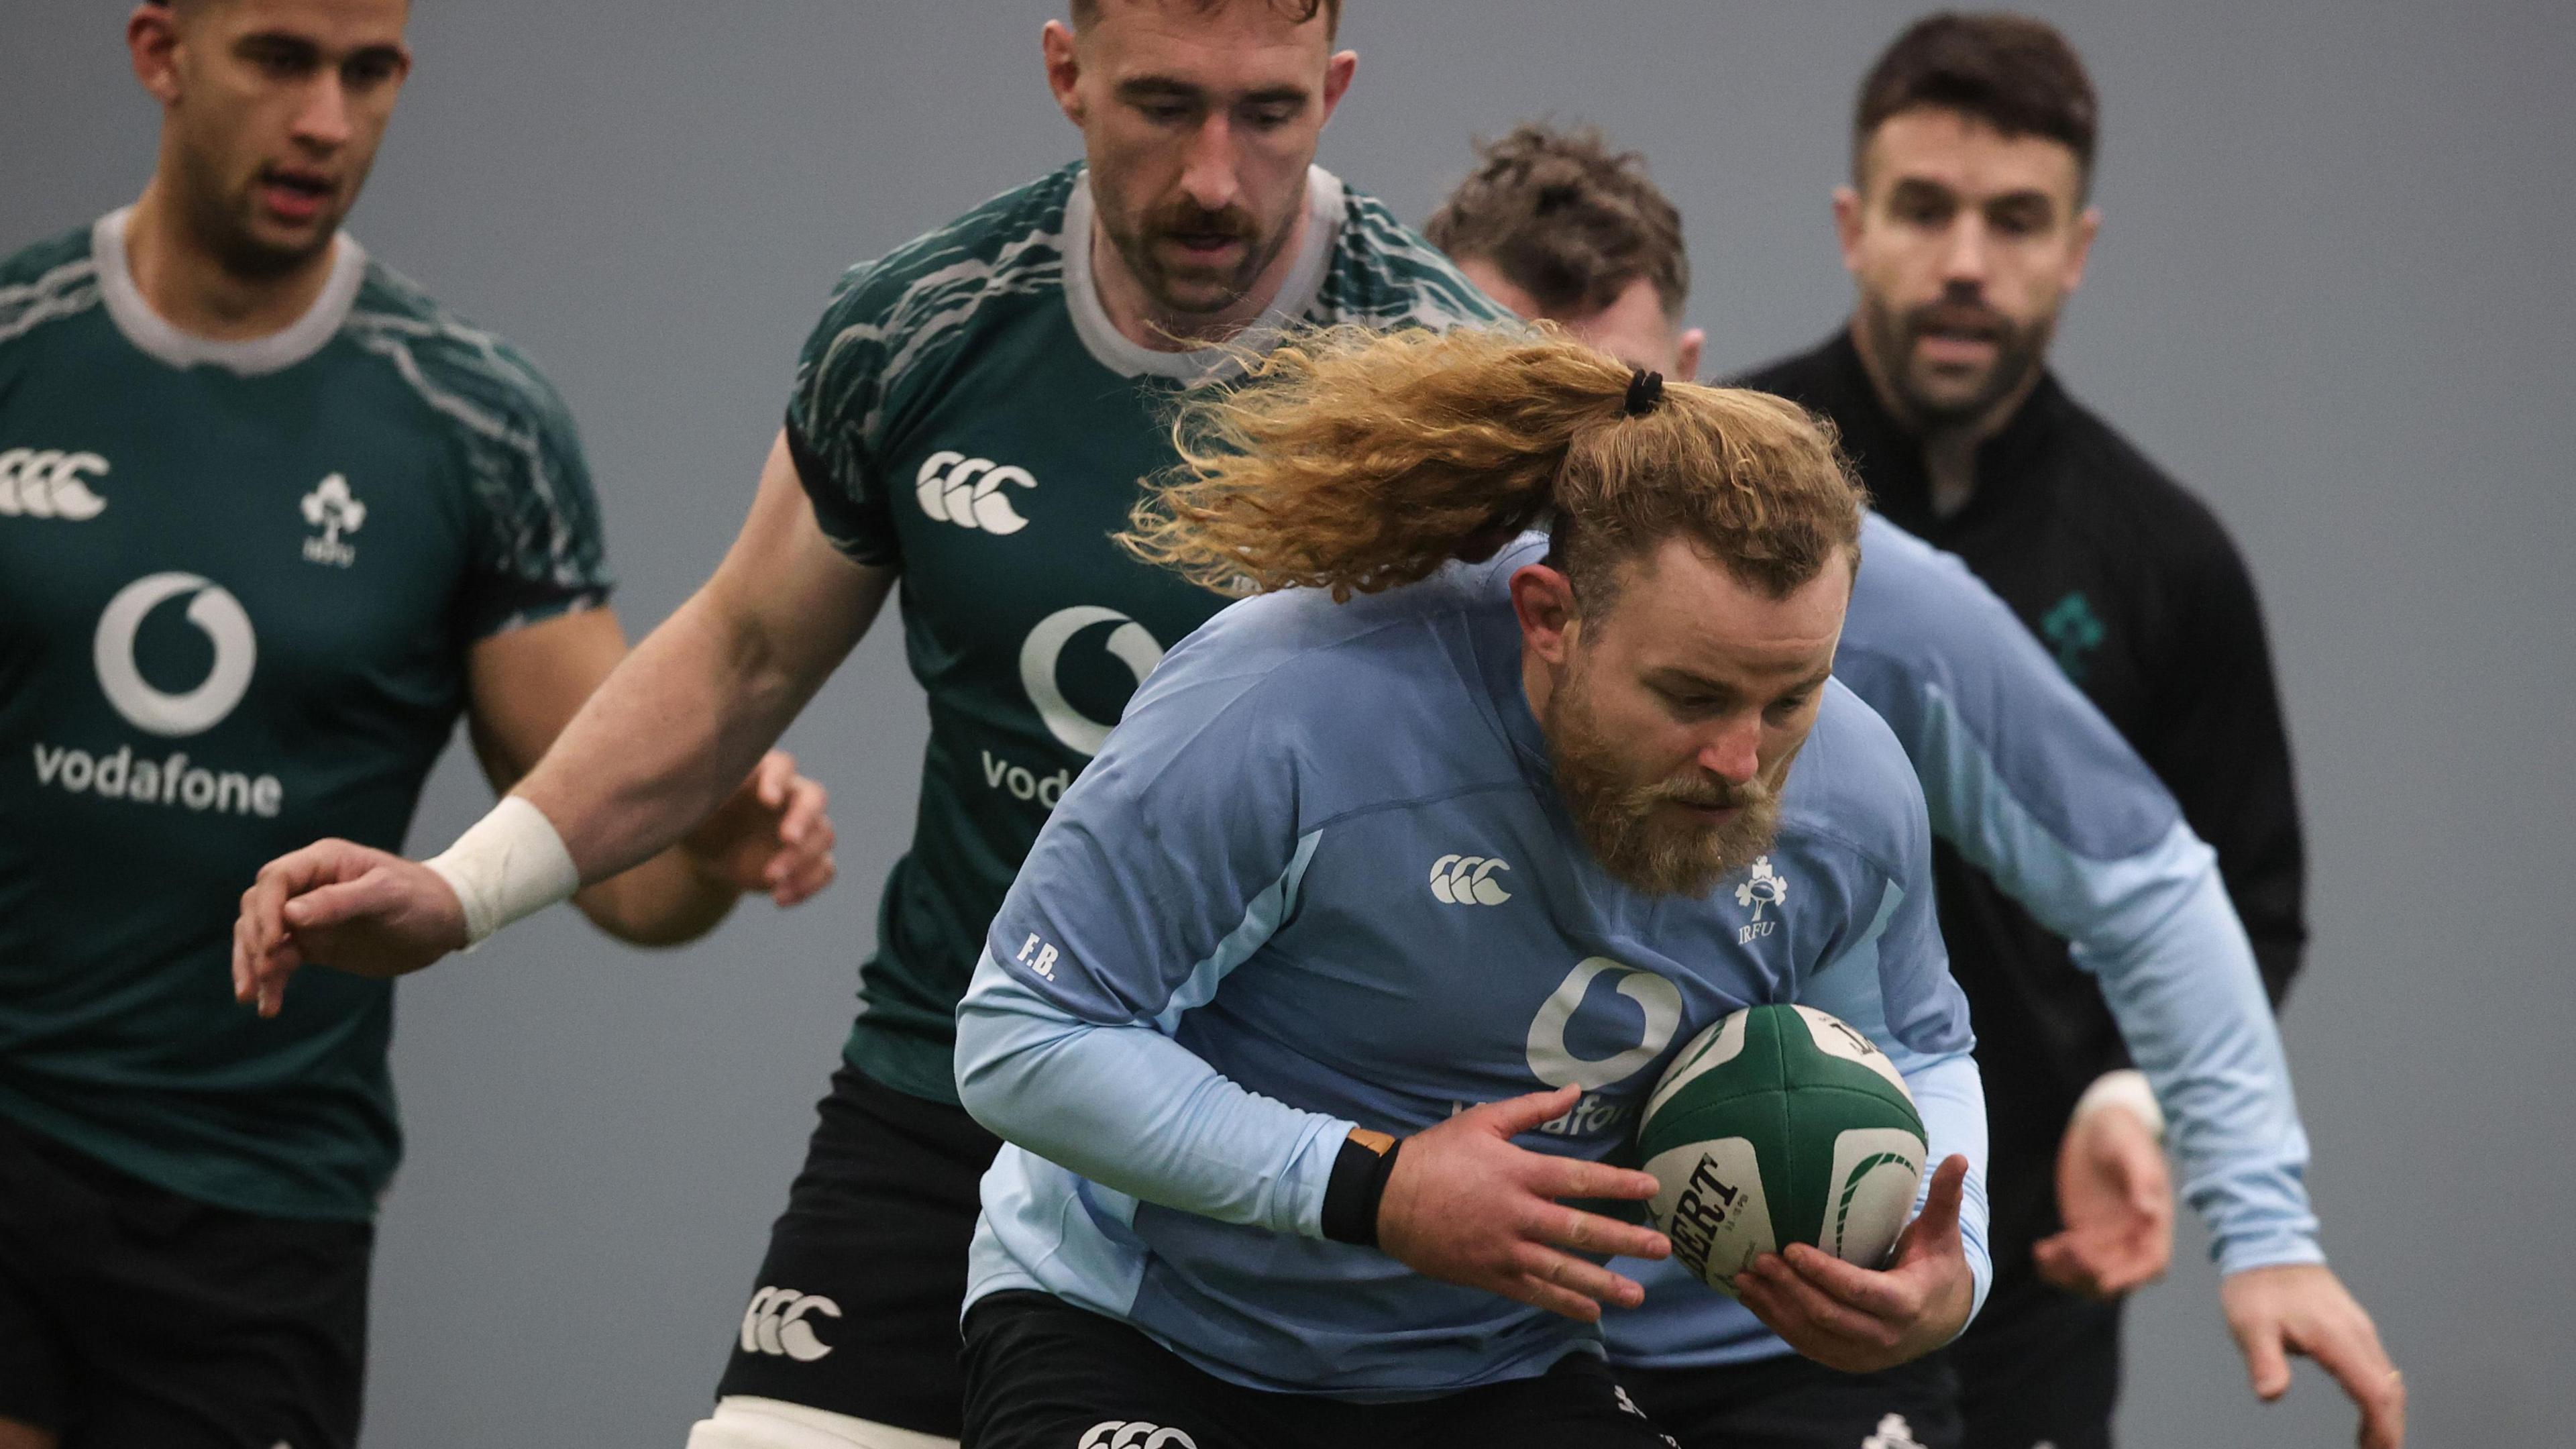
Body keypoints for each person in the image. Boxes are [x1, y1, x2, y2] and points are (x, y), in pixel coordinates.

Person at [227, 2, 1508, 1444]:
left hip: (1280, 1148)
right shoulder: (919, 328)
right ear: (1064, 72)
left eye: (1266, 114)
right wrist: (459, 891)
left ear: (1333, 93)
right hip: (954, 1095)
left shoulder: (1443, 385)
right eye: (1162, 106)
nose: (1215, 175)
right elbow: (745, 650)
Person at [1428, 120, 2403, 1449]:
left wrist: (2266, 1225)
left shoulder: (1838, 587)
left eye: (1606, 415)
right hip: (1428, 1344)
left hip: (1775, 1330)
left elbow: (2152, 888)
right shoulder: (1318, 625)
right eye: (1509, 408)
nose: (1559, 486)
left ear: (1686, 386)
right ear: (1416, 374)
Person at [0, 3, 836, 1448]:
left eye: (368, 70)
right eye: (279, 58)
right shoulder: (19, 348)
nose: (327, 120)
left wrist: (713, 838)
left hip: (259, 1210)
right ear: (159, 53)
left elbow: (620, 872)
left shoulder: (473, 425)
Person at [930, 323, 1988, 1447]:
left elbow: (1915, 1047)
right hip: (1140, 1338)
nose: (1743, 760)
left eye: (1791, 698)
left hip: (1498, 1368)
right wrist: (1374, 1188)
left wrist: (1951, 1256)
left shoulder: (1851, 794)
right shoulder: (1290, 705)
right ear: (1550, 619)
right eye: (1691, 695)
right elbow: (1024, 1038)